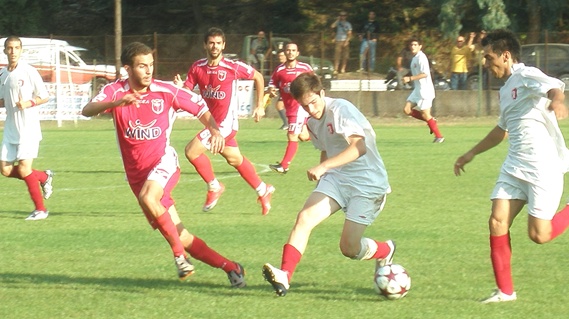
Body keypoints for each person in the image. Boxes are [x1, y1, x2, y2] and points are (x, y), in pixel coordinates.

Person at [82, 42, 247, 286]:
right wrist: (116, 104)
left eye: (150, 65)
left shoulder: (166, 91)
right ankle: (232, 267)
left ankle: (180, 258)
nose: (148, 71)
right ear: (127, 69)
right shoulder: (115, 91)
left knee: (150, 199)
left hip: (163, 162)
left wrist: (214, 130)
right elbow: (87, 110)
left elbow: (200, 107)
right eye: (142, 66)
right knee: (181, 234)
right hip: (137, 177)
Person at [454, 29, 569, 303]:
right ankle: (505, 292)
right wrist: (471, 153)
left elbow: (555, 85)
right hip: (514, 165)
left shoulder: (525, 75)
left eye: (489, 57)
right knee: (497, 221)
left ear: (505, 56)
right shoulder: (506, 89)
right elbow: (502, 130)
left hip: (543, 166)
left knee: (539, 235)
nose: (486, 63)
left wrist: (557, 100)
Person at [262, 72, 396, 297]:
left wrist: (323, 168)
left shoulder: (340, 109)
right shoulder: (312, 122)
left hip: (368, 183)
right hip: (338, 178)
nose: (311, 109)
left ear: (322, 93)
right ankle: (285, 275)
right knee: (304, 218)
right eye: (305, 106)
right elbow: (326, 147)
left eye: (314, 102)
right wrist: (324, 175)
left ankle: (385, 250)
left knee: (349, 248)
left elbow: (358, 147)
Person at [174, 27, 274, 215]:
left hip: (225, 125)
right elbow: (188, 90)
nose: (214, 46)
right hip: (211, 123)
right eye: (211, 42)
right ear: (205, 44)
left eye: (218, 43)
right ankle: (263, 190)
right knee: (235, 159)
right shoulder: (197, 67)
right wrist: (180, 88)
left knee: (191, 151)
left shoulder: (232, 67)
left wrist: (260, 105)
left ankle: (214, 186)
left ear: (223, 45)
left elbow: (258, 77)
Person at [0, 36, 53, 221]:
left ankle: (40, 210)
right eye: (9, 48)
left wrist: (29, 102)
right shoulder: (3, 74)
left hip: (28, 129)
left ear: (21, 50)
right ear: (5, 50)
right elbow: (2, 101)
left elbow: (45, 96)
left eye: (16, 48)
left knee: (23, 169)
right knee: (5, 171)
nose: (13, 51)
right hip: (10, 129)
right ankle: (43, 177)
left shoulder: (29, 71)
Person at [267, 43, 312, 174]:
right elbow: (272, 84)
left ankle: (284, 165)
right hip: (290, 108)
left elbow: (314, 82)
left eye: (293, 50)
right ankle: (327, 139)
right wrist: (271, 91)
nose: (291, 52)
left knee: (292, 135)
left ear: (297, 53)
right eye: (288, 50)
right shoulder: (279, 70)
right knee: (303, 136)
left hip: (299, 107)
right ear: (285, 53)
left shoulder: (304, 68)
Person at [402, 37, 444, 143]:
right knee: (407, 110)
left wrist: (410, 78)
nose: (413, 47)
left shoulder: (421, 58)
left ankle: (439, 136)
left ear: (420, 46)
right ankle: (431, 121)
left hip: (425, 90)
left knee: (426, 114)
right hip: (417, 90)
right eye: (411, 45)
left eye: (415, 45)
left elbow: (425, 74)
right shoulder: (415, 58)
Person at [274, 50, 288, 130]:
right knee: (279, 105)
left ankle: (287, 124)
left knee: (279, 105)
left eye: (282, 55)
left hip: (291, 91)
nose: (280, 57)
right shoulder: (279, 68)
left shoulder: (290, 66)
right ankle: (287, 124)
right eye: (279, 56)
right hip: (284, 92)